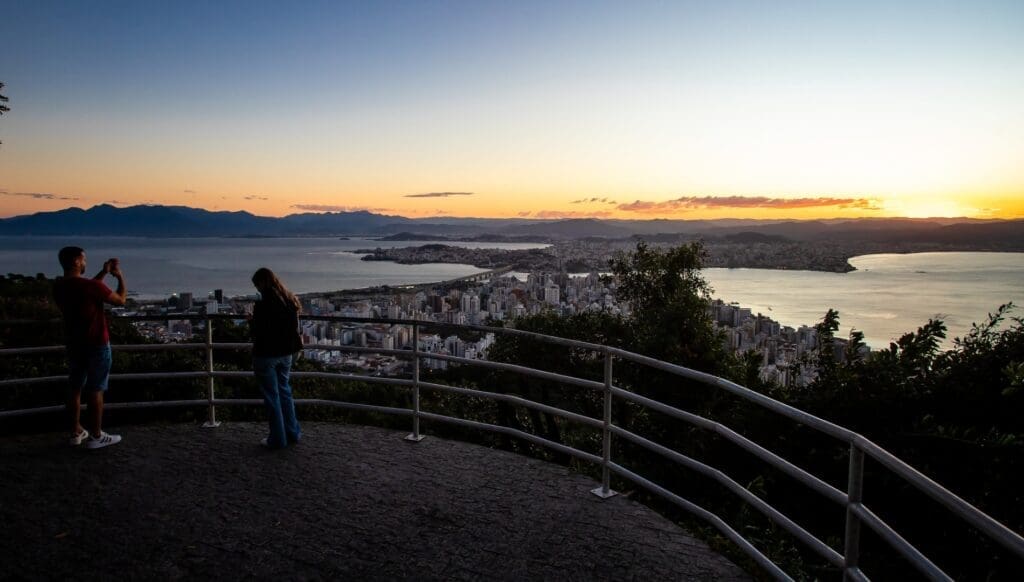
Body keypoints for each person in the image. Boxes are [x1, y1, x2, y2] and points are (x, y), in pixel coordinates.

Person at [53, 246, 127, 449]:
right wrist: (119, 277)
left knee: (74, 388)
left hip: (74, 344)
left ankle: (75, 431)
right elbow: (120, 300)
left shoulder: (59, 286)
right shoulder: (89, 287)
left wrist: (103, 272)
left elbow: (88, 289)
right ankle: (96, 436)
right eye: (83, 260)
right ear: (76, 261)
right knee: (96, 389)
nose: (85, 263)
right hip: (96, 343)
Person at [250, 267, 303, 448]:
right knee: (285, 392)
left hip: (266, 355)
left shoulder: (263, 305)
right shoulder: (290, 300)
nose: (257, 289)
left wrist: (252, 321)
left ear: (263, 282)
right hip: (286, 354)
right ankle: (293, 432)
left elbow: (256, 333)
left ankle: (277, 439)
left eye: (257, 285)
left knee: (272, 397)